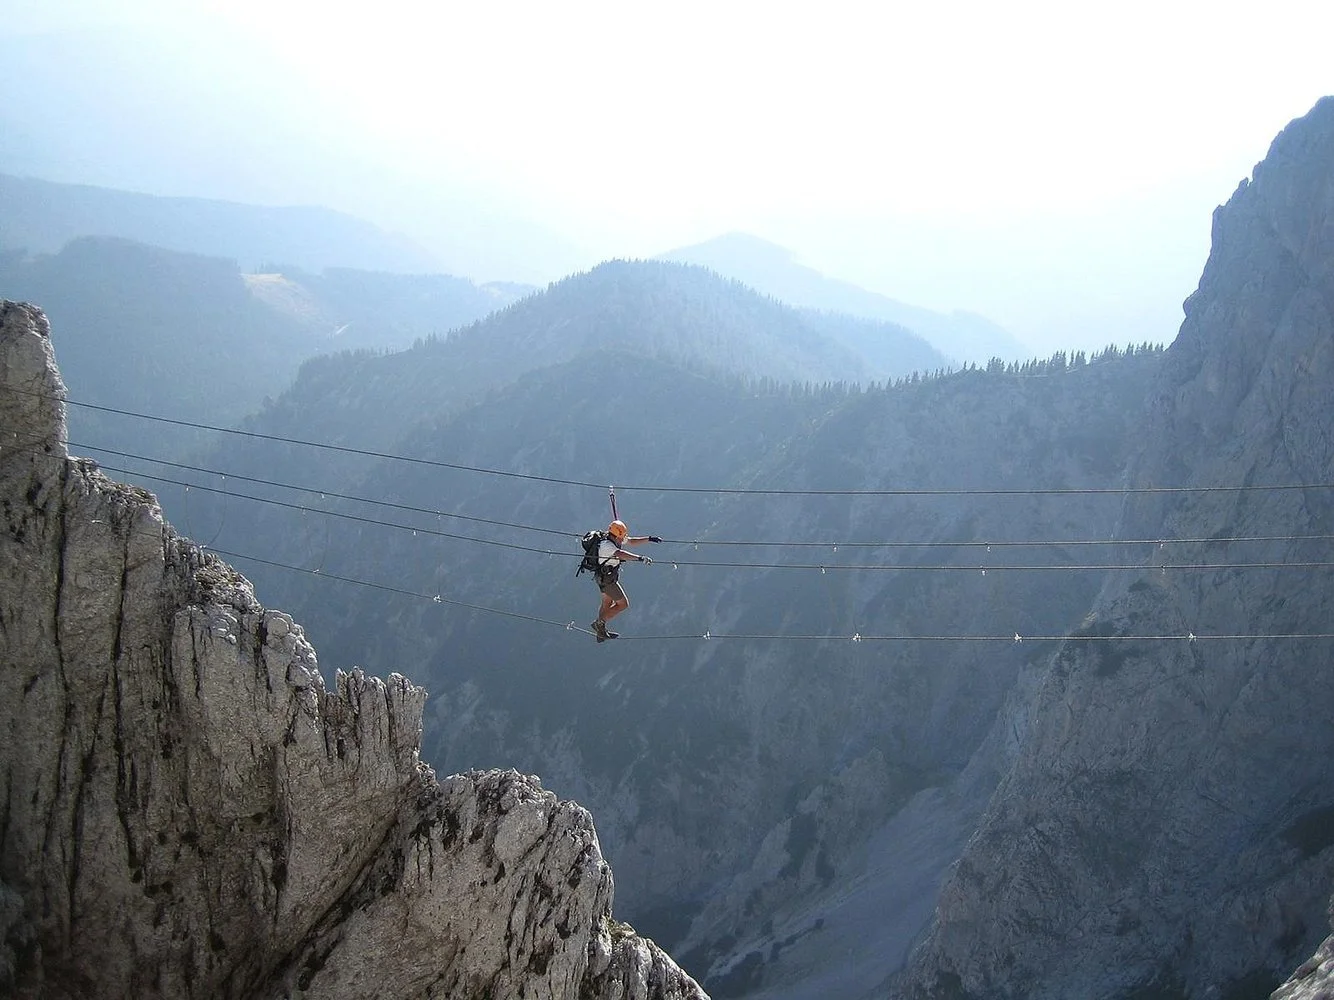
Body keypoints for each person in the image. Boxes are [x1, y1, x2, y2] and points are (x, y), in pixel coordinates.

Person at [590, 519, 661, 642]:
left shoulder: (613, 539)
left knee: (607, 604)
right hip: (608, 581)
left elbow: (632, 541)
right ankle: (599, 623)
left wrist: (649, 538)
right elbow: (620, 553)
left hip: (604, 577)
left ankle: (601, 631)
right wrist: (639, 558)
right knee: (623, 604)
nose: (622, 540)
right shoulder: (607, 546)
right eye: (621, 537)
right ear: (616, 535)